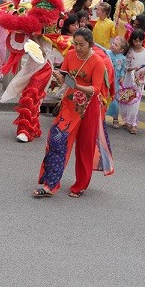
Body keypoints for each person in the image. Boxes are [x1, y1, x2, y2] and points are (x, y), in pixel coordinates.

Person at [34, 28, 112, 198]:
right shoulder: (70, 55)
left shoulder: (98, 62)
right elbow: (65, 77)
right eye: (75, 44)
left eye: (81, 45)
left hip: (89, 107)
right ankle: (50, 184)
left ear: (90, 44)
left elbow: (96, 90)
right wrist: (58, 76)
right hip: (70, 104)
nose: (77, 48)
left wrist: (76, 86)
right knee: (57, 140)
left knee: (85, 147)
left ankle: (81, 185)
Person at [119, 30, 145, 134]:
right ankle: (127, 121)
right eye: (135, 41)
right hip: (129, 79)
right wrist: (131, 68)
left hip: (139, 81)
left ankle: (133, 123)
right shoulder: (129, 51)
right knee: (127, 99)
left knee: (136, 102)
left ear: (143, 41)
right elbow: (126, 66)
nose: (137, 43)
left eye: (139, 41)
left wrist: (144, 72)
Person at [105, 36, 128, 129]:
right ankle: (101, 117)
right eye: (113, 43)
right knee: (104, 98)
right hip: (106, 79)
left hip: (116, 82)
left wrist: (122, 77)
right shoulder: (107, 53)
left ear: (121, 49)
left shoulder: (123, 58)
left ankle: (115, 118)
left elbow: (123, 69)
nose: (113, 45)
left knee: (114, 100)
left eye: (116, 45)